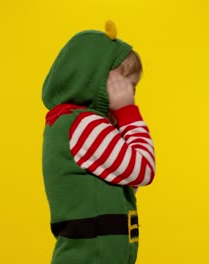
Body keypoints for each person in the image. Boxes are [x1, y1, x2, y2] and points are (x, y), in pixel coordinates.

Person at [41, 21, 156, 264]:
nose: (130, 96)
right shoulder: (84, 125)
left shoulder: (73, 123)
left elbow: (125, 180)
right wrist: (127, 112)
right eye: (127, 87)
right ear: (94, 79)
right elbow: (143, 169)